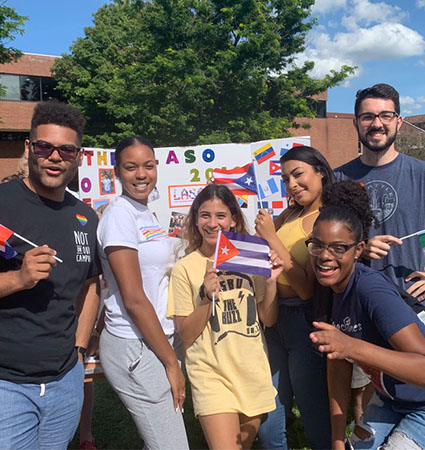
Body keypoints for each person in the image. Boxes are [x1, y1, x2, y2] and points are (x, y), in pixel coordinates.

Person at [0, 100, 101, 449]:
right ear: (29, 148)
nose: (55, 156)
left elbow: (91, 286)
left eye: (66, 149)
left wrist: (79, 348)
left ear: (79, 156)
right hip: (7, 383)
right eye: (45, 146)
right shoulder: (2, 202)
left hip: (64, 380)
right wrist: (17, 279)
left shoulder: (86, 217)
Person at [308, 180, 425, 450]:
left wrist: (351, 346)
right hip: (391, 400)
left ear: (358, 250)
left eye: (338, 248)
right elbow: (338, 367)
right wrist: (337, 441)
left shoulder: (371, 289)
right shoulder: (327, 289)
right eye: (317, 245)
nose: (325, 256)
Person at [167, 184, 281, 450]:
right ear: (195, 220)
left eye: (220, 216)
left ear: (232, 220)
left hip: (252, 370)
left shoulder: (250, 259)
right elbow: (185, 334)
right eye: (205, 215)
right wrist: (206, 298)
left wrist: (272, 281)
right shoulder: (185, 268)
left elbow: (268, 318)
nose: (212, 223)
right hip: (211, 374)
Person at [97, 136, 189, 450]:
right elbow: (134, 299)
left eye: (148, 166)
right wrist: (171, 364)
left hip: (154, 342)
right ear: (116, 172)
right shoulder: (120, 215)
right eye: (131, 167)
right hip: (135, 346)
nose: (141, 174)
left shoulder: (144, 212)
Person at [255, 145, 333, 449]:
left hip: (304, 322)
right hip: (273, 317)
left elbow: (307, 289)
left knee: (314, 417)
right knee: (269, 421)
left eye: (298, 175)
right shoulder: (290, 213)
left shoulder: (326, 220)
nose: (292, 185)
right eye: (286, 178)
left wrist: (272, 237)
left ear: (321, 173)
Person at [335, 83, 425, 298]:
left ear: (399, 122)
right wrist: (359, 249)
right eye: (368, 117)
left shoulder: (421, 174)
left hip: (415, 303)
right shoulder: (336, 179)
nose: (377, 124)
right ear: (356, 123)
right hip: (356, 301)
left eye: (386, 116)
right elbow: (324, 243)